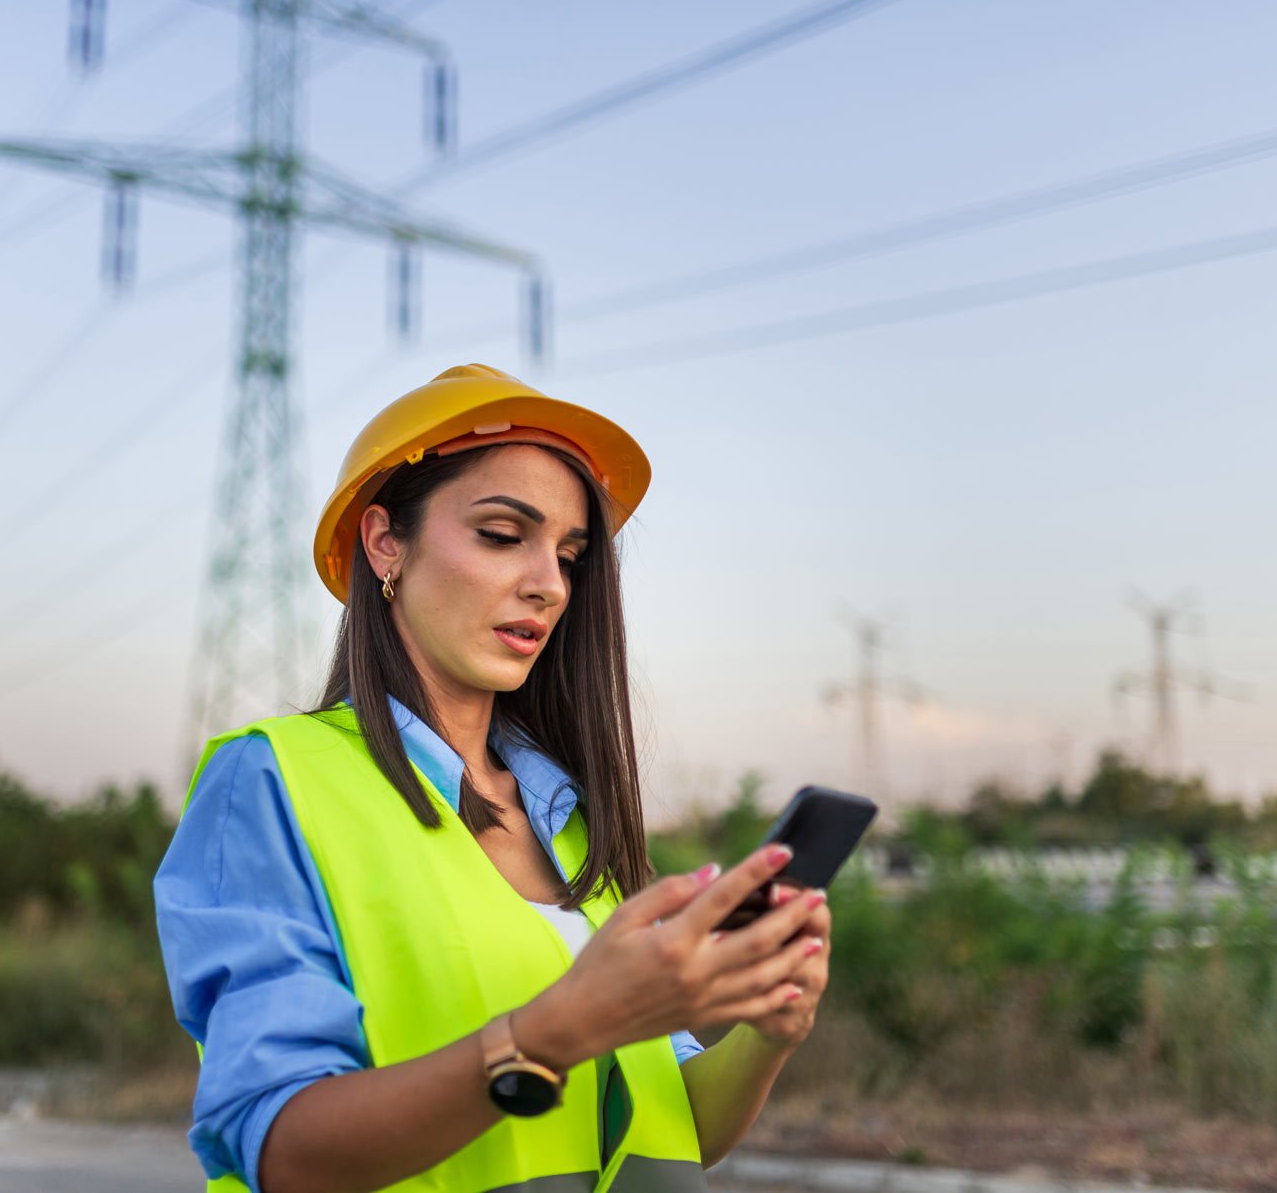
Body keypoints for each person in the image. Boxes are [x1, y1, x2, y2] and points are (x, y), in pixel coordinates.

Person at [154, 363, 833, 1193]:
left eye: (570, 555)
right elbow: (284, 1149)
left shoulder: (575, 822)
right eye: (502, 535)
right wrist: (554, 1031)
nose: (548, 584)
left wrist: (769, 1034)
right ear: (383, 543)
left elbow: (669, 1126)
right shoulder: (272, 781)